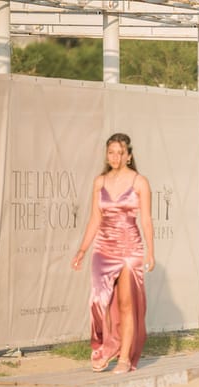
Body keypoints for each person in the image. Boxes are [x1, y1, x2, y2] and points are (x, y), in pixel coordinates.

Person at [72, 133, 155, 373]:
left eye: (120, 153)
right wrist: (82, 249)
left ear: (129, 156)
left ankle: (124, 359)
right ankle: (108, 345)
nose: (115, 157)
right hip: (103, 248)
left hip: (130, 249)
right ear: (107, 155)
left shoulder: (140, 182)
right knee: (98, 301)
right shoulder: (100, 182)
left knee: (126, 304)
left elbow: (146, 220)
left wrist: (151, 251)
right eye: (111, 152)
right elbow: (94, 219)